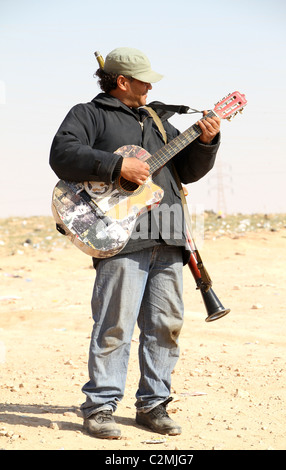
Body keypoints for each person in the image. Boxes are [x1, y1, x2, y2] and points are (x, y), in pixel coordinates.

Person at [49, 47, 221, 439]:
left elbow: (188, 171)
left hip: (168, 231)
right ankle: (100, 408)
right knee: (114, 324)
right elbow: (62, 154)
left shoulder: (159, 122)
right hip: (119, 236)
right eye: (143, 80)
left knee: (166, 325)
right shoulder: (88, 114)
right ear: (122, 81)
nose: (150, 86)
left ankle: (154, 405)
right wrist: (115, 165)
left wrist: (208, 142)